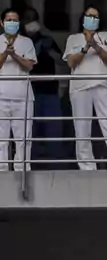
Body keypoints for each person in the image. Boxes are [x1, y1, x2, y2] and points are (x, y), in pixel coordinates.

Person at [64, 6, 107, 169]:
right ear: (83, 18)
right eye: (89, 16)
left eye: (96, 17)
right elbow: (71, 62)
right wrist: (85, 47)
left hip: (103, 85)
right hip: (80, 88)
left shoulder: (105, 36)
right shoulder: (73, 39)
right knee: (82, 128)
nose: (93, 19)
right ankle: (87, 166)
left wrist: (96, 46)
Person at [22, 9, 65, 165]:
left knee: (53, 133)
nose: (30, 22)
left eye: (33, 19)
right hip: (28, 93)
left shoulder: (47, 40)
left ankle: (55, 166)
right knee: (29, 133)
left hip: (49, 92)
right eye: (27, 19)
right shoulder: (19, 42)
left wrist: (49, 51)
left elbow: (61, 61)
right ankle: (30, 165)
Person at [0, 7, 36, 172]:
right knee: (2, 139)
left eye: (15, 20)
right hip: (1, 97)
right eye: (8, 20)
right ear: (2, 23)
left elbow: (29, 65)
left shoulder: (26, 42)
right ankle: (2, 170)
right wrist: (5, 53)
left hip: (23, 97)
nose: (12, 23)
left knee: (23, 139)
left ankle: (22, 170)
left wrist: (14, 55)